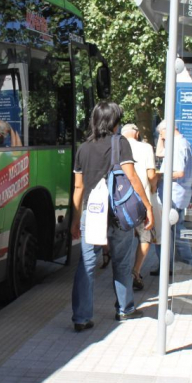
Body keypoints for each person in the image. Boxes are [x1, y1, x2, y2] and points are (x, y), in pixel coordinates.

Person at [71, 101, 154, 332]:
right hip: (119, 212)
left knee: (86, 264)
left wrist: (75, 220)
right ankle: (125, 309)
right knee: (122, 261)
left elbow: (78, 188)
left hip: (92, 213)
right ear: (114, 121)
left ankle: (81, 317)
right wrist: (147, 207)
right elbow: (133, 178)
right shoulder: (120, 143)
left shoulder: (83, 148)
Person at [151, 120, 192, 275]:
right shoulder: (180, 142)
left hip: (173, 194)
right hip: (177, 193)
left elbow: (178, 172)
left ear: (167, 130)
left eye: (161, 133)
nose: (161, 136)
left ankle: (181, 263)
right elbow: (159, 154)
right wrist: (162, 139)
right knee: (175, 230)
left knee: (172, 231)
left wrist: (159, 175)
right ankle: (177, 263)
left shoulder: (177, 145)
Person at [121, 123, 158, 291]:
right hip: (141, 201)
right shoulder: (146, 148)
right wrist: (154, 187)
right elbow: (151, 175)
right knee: (145, 237)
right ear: (136, 134)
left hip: (120, 202)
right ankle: (135, 271)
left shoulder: (117, 147)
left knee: (121, 239)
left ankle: (121, 273)